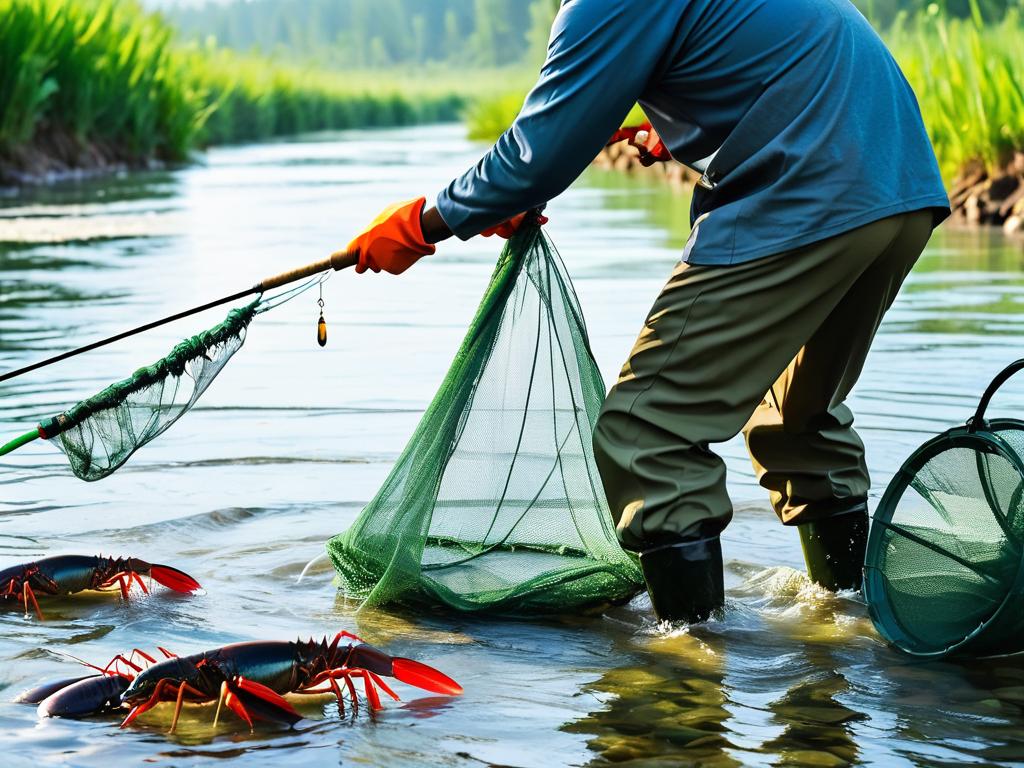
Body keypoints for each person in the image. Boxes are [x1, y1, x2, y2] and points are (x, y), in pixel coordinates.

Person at [345, 0, 951, 624]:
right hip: (901, 188)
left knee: (647, 432)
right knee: (797, 419)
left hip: (805, 194)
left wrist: (422, 222)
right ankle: (850, 619)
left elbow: (537, 154)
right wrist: (693, 121)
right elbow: (771, 52)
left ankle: (688, 666)